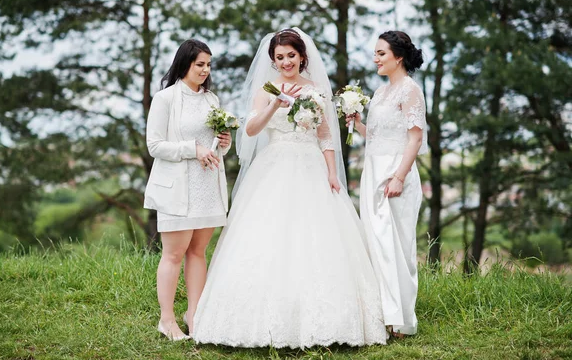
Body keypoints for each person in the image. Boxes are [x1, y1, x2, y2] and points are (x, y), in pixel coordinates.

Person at [192, 28, 386, 348]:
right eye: (279, 58)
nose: (285, 62)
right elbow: (252, 130)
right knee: (267, 236)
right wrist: (275, 104)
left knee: (318, 239)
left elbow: (325, 135)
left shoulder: (314, 90)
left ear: (302, 57)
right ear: (273, 60)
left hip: (310, 163)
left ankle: (326, 323)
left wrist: (332, 172)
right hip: (274, 165)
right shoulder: (266, 89)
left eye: (291, 56)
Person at [144, 39, 231, 341]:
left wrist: (223, 144)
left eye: (208, 64)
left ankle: (194, 314)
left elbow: (214, 145)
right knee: (174, 254)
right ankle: (166, 319)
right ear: (185, 64)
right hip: (178, 188)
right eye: (200, 64)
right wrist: (191, 149)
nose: (206, 70)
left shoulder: (212, 100)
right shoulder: (165, 99)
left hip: (207, 184)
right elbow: (154, 145)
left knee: (198, 252)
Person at [347, 30, 426, 338]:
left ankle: (403, 320)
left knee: (398, 247)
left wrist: (399, 177)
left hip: (397, 174)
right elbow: (377, 136)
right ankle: (383, 315)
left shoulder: (410, 90)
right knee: (376, 244)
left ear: (399, 57)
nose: (375, 58)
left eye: (381, 53)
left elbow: (415, 137)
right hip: (373, 172)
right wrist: (357, 124)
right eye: (375, 53)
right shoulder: (380, 93)